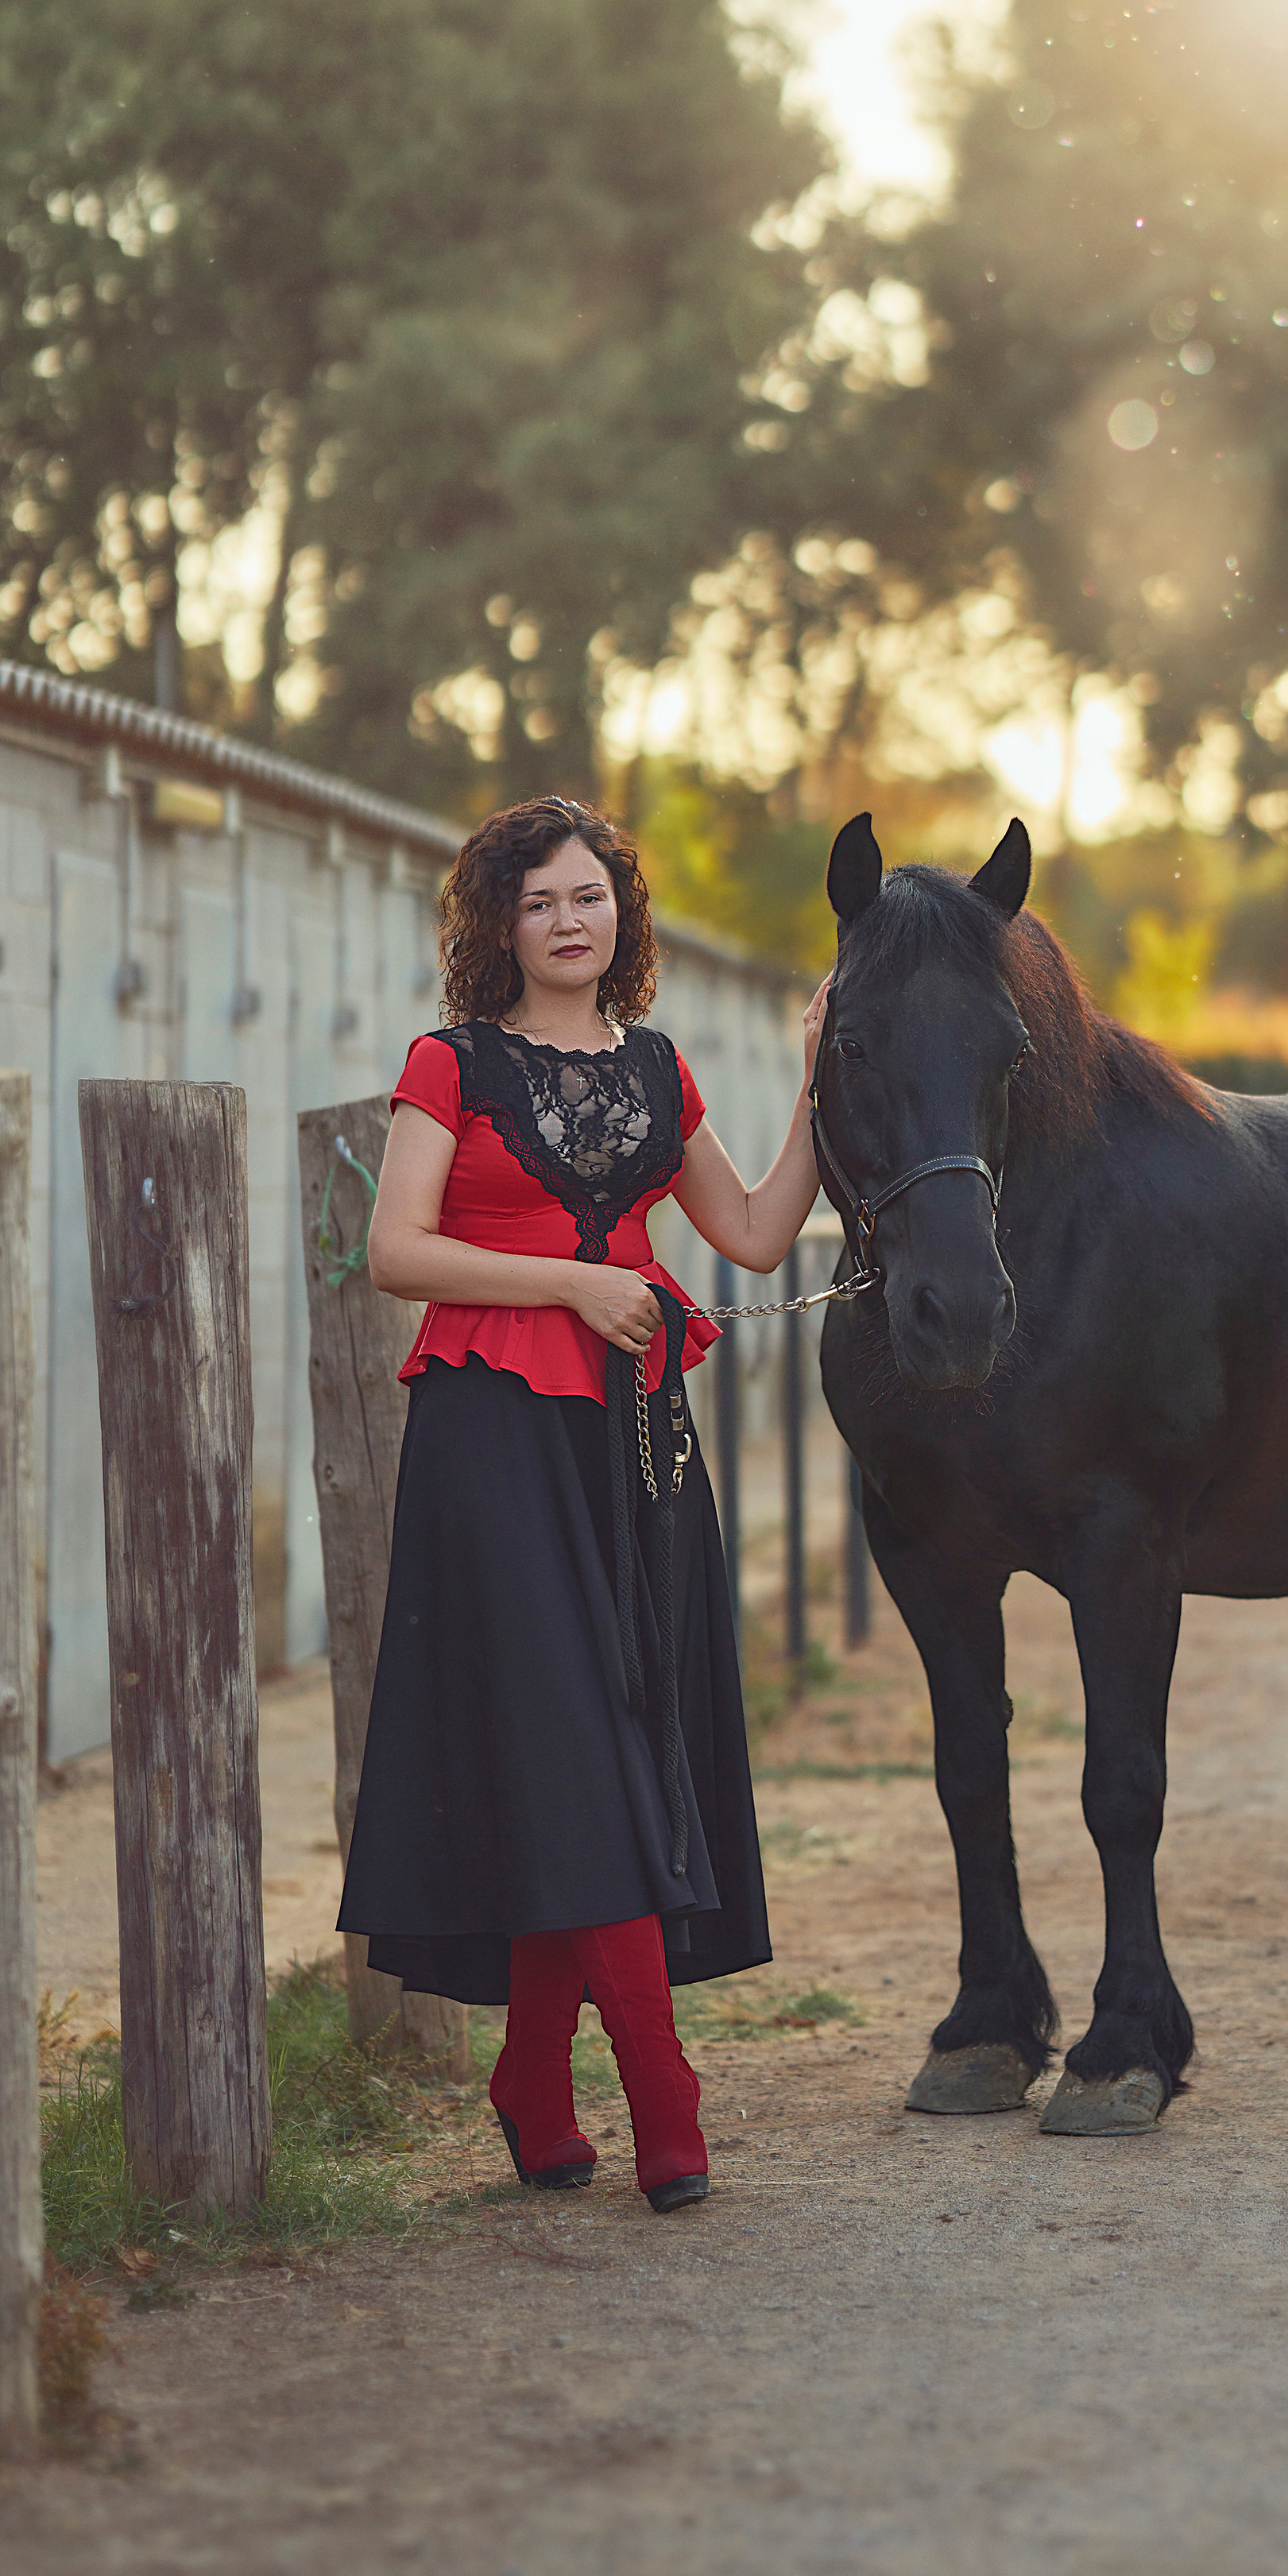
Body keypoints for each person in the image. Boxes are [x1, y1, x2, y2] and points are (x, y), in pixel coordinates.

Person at [338, 794, 826, 2211]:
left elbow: (754, 1232)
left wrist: (816, 1082)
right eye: (540, 899)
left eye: (590, 895)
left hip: (636, 1440)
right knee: (575, 1739)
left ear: (623, 914)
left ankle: (533, 2080)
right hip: (492, 1437)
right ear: (500, 922)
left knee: (613, 1738)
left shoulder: (659, 1067)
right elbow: (394, 1251)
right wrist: (575, 1282)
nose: (569, 919)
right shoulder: (449, 1063)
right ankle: (664, 2093)